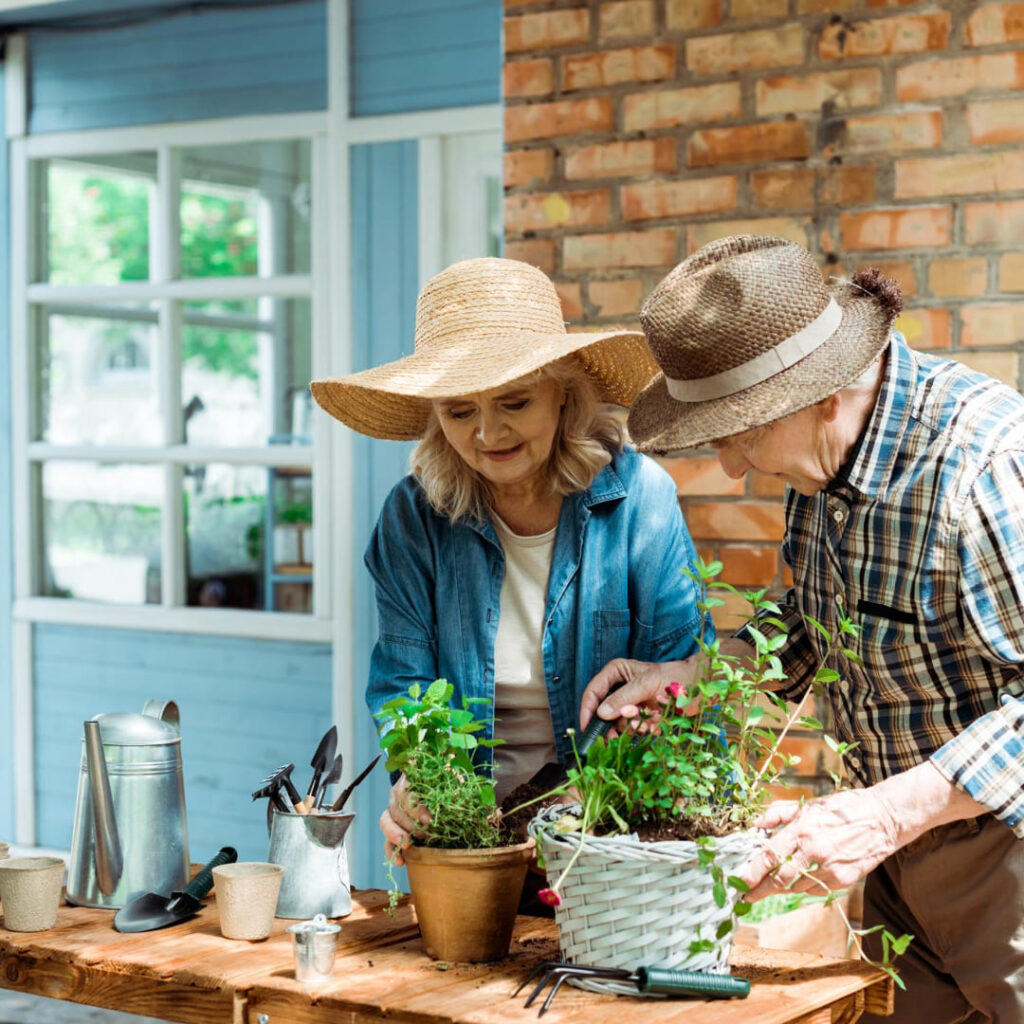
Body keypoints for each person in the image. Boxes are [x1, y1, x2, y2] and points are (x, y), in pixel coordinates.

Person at [582, 234, 1024, 1022]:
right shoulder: (823, 460)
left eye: (738, 432)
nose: (732, 468)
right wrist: (702, 671)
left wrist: (887, 811)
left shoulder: (986, 468)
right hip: (896, 848)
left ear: (821, 391)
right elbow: (815, 620)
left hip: (1004, 855)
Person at [310, 256, 710, 871]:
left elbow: (671, 682)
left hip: (616, 841)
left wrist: (578, 800)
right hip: (470, 847)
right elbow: (403, 688)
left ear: (563, 393)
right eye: (460, 411)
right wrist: (423, 784)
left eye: (514, 401)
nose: (488, 433)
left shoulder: (640, 501)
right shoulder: (412, 518)